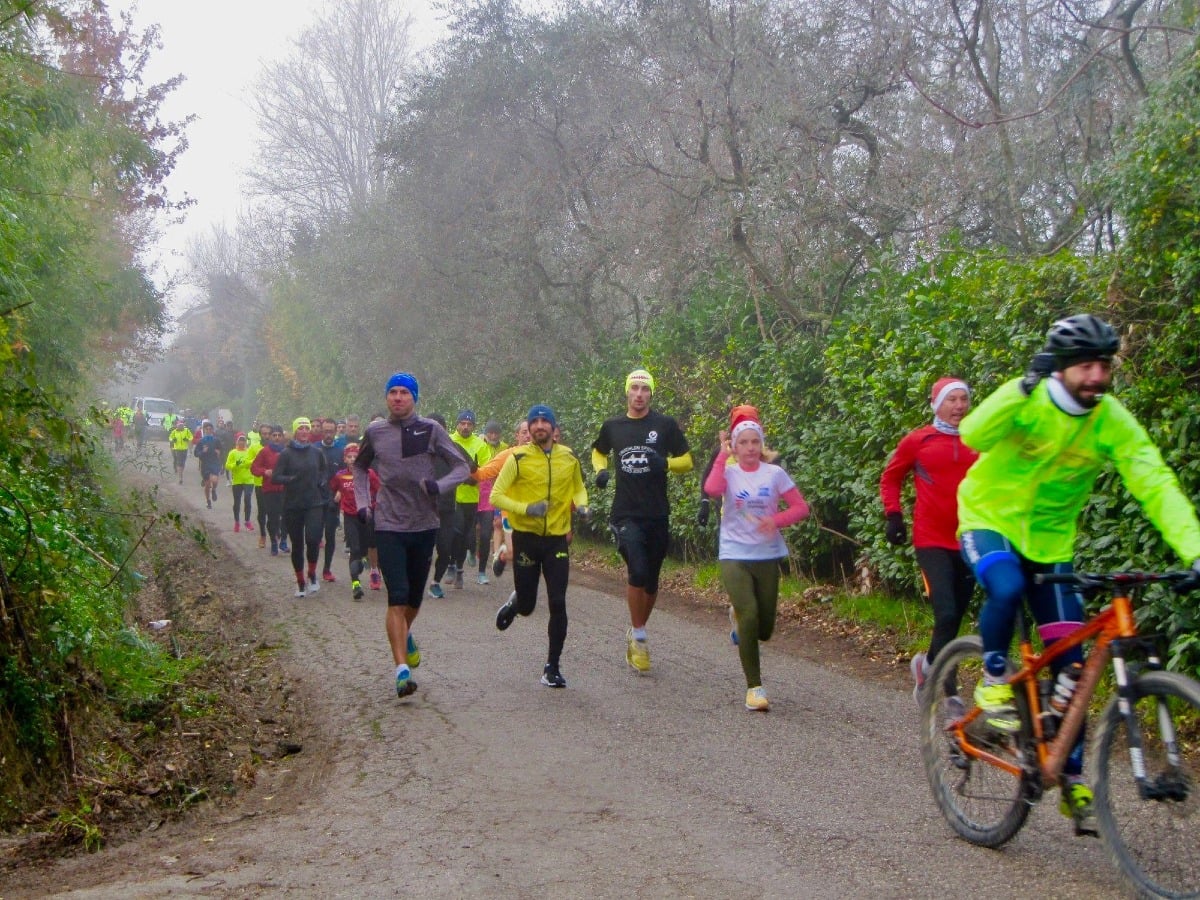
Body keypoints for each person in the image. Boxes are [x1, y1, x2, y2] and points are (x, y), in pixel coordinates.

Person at [958, 313, 1200, 833]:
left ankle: (1068, 776)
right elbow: (974, 432)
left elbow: (1153, 480)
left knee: (1073, 668)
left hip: (1051, 543)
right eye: (1086, 366)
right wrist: (1019, 388)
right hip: (988, 520)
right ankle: (993, 684)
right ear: (1062, 367)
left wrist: (1194, 550)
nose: (1097, 376)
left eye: (1104, 366)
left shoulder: (1110, 418)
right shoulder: (1029, 398)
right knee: (1006, 586)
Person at [352, 373, 469, 699]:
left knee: (414, 599)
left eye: (404, 392)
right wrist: (362, 503)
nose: (398, 397)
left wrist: (439, 486)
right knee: (398, 595)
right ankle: (402, 671)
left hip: (424, 524)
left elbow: (462, 467)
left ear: (414, 398)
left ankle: (405, 633)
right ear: (386, 397)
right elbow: (359, 467)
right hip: (388, 523)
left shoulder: (431, 430)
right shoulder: (375, 431)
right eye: (393, 392)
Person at [880, 377, 979, 704]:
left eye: (964, 399)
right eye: (952, 399)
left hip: (970, 538)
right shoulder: (918, 440)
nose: (959, 406)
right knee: (946, 614)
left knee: (955, 618)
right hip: (931, 540)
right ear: (937, 404)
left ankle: (927, 668)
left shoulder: (979, 438)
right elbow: (891, 477)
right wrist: (894, 515)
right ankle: (949, 690)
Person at [703, 406, 809, 710]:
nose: (750, 448)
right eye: (743, 442)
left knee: (764, 629)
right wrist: (722, 455)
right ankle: (755, 688)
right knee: (749, 613)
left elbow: (801, 508)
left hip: (767, 554)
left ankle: (739, 624)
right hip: (734, 552)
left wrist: (775, 521)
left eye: (754, 442)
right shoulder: (728, 472)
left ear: (761, 444)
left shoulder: (774, 474)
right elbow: (711, 489)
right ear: (735, 446)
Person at [592, 368, 693, 673]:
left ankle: (637, 629)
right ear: (627, 391)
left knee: (651, 581)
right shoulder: (613, 426)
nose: (639, 394)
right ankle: (639, 637)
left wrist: (666, 463)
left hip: (657, 513)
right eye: (634, 388)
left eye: (644, 389)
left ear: (651, 393)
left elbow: (687, 461)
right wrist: (601, 471)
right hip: (625, 513)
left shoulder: (664, 425)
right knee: (637, 569)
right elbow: (598, 451)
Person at [491, 405, 589, 688]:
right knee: (527, 606)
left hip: (556, 539)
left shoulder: (568, 457)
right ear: (529, 428)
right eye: (534, 422)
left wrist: (582, 505)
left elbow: (578, 487)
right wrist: (526, 508)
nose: (539, 426)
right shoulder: (517, 458)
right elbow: (496, 496)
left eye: (545, 421)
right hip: (526, 538)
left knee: (558, 602)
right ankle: (516, 603)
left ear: (554, 428)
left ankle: (552, 667)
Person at [271, 417, 330, 597]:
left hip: (314, 503)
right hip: (293, 504)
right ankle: (300, 582)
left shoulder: (316, 452)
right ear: (295, 432)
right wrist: (290, 479)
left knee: (313, 540)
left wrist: (322, 481)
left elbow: (324, 471)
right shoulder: (286, 454)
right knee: (297, 544)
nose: (304, 431)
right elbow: (275, 477)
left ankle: (312, 573)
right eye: (300, 428)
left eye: (306, 428)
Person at [470, 419, 531, 579]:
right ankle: (503, 553)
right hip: (510, 512)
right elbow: (483, 474)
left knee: (528, 555)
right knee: (513, 552)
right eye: (524, 432)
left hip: (533, 512)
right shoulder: (508, 455)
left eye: (531, 432)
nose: (528, 436)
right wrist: (473, 469)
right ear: (517, 435)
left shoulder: (544, 457)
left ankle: (522, 589)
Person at [425, 413, 467, 599]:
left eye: (439, 428)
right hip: (423, 509)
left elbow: (469, 468)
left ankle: (435, 583)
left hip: (447, 508)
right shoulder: (417, 449)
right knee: (421, 549)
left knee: (445, 548)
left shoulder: (453, 448)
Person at [332, 443, 380, 599]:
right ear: (345, 459)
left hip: (367, 516)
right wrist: (337, 494)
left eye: (356, 457)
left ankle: (368, 564)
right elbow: (332, 488)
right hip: (349, 517)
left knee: (366, 548)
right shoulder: (340, 476)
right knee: (355, 549)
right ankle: (356, 584)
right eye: (349, 457)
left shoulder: (369, 473)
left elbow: (380, 489)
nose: (353, 459)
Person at [449, 410, 490, 588]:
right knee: (455, 532)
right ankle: (451, 564)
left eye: (469, 424)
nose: (465, 427)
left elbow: (487, 470)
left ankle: (459, 569)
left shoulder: (480, 445)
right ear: (457, 424)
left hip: (472, 498)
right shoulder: (448, 440)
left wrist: (475, 476)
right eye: (462, 423)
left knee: (466, 537)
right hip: (452, 496)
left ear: (473, 426)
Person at [251, 425, 287, 555]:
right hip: (269, 489)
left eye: (279, 435)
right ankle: (273, 542)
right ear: (270, 437)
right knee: (272, 517)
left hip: (285, 488)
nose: (277, 438)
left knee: (286, 516)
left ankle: (283, 540)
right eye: (274, 435)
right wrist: (264, 471)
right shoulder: (264, 451)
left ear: (282, 437)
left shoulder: (287, 452)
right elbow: (254, 468)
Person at [317, 419, 345, 583]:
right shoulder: (314, 449)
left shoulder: (340, 452)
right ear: (321, 431)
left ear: (335, 432)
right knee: (314, 537)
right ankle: (312, 567)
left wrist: (341, 491)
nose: (328, 434)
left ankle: (327, 569)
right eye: (325, 431)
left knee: (330, 536)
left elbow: (345, 475)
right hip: (315, 500)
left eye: (331, 431)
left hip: (333, 500)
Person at [224, 433, 257, 533]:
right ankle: (237, 522)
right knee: (237, 502)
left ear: (246, 442)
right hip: (237, 480)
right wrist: (236, 464)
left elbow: (254, 461)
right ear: (237, 442)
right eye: (240, 440)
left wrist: (250, 463)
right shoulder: (233, 452)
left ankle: (247, 521)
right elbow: (227, 465)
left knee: (247, 498)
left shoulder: (249, 452)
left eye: (243, 440)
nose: (242, 442)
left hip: (249, 479)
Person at [193, 420, 223, 509]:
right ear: (204, 430)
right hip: (205, 464)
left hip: (214, 463)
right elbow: (196, 453)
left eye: (210, 429)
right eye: (207, 429)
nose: (209, 431)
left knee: (215, 481)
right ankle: (208, 501)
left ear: (212, 430)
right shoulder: (201, 441)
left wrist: (219, 452)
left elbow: (221, 449)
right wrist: (203, 451)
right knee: (207, 484)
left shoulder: (216, 440)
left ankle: (213, 490)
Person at [168, 417, 193, 484]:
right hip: (177, 449)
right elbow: (170, 437)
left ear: (183, 425)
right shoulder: (174, 431)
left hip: (185, 449)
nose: (180, 426)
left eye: (181, 425)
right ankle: (180, 478)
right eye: (179, 425)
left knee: (183, 463)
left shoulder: (187, 430)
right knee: (179, 462)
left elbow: (191, 437)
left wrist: (187, 439)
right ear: (177, 426)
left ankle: (181, 472)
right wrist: (173, 440)